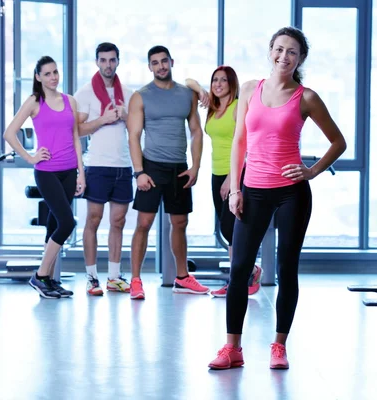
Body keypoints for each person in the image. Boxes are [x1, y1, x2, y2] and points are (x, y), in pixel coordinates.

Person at [208, 27, 346, 369]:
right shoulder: (251, 89)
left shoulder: (306, 97)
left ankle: (279, 345)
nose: (284, 57)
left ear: (300, 59)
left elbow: (338, 142)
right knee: (239, 268)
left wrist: (311, 171)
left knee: (286, 268)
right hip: (252, 191)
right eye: (279, 49)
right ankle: (232, 348)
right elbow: (240, 140)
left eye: (292, 53)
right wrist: (236, 188)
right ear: (270, 51)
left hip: (290, 194)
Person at [127, 45, 210, 300]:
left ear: (172, 62)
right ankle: (136, 280)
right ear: (149, 67)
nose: (161, 66)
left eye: (164, 61)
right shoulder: (141, 96)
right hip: (151, 166)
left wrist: (195, 166)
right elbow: (134, 135)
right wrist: (139, 172)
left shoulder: (187, 94)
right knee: (144, 223)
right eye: (155, 62)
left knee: (180, 223)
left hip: (179, 167)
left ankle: (182, 277)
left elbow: (196, 131)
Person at [4, 56, 85, 299]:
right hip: (47, 172)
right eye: (47, 73)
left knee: (53, 226)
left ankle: (49, 280)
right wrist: (30, 157)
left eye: (55, 72)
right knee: (67, 223)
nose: (53, 77)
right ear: (38, 77)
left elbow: (75, 139)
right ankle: (40, 276)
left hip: (69, 171)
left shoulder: (70, 101)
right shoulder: (34, 102)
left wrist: (81, 172)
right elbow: (9, 133)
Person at [186, 67, 263, 298]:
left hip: (236, 174)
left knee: (231, 229)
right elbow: (188, 80)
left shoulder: (238, 106)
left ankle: (240, 278)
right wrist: (201, 90)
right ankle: (244, 274)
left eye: (223, 80)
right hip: (216, 174)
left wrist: (233, 178)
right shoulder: (212, 107)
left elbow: (247, 143)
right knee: (228, 231)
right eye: (214, 80)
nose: (218, 84)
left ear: (232, 83)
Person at [75, 42, 133, 296]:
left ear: (118, 61)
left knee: (118, 222)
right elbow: (76, 130)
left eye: (112, 60)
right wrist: (103, 119)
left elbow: (137, 130)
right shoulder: (85, 93)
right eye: (103, 60)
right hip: (97, 165)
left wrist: (125, 116)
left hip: (122, 166)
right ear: (97, 62)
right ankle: (91, 278)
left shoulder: (129, 94)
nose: (108, 64)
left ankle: (113, 277)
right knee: (93, 220)